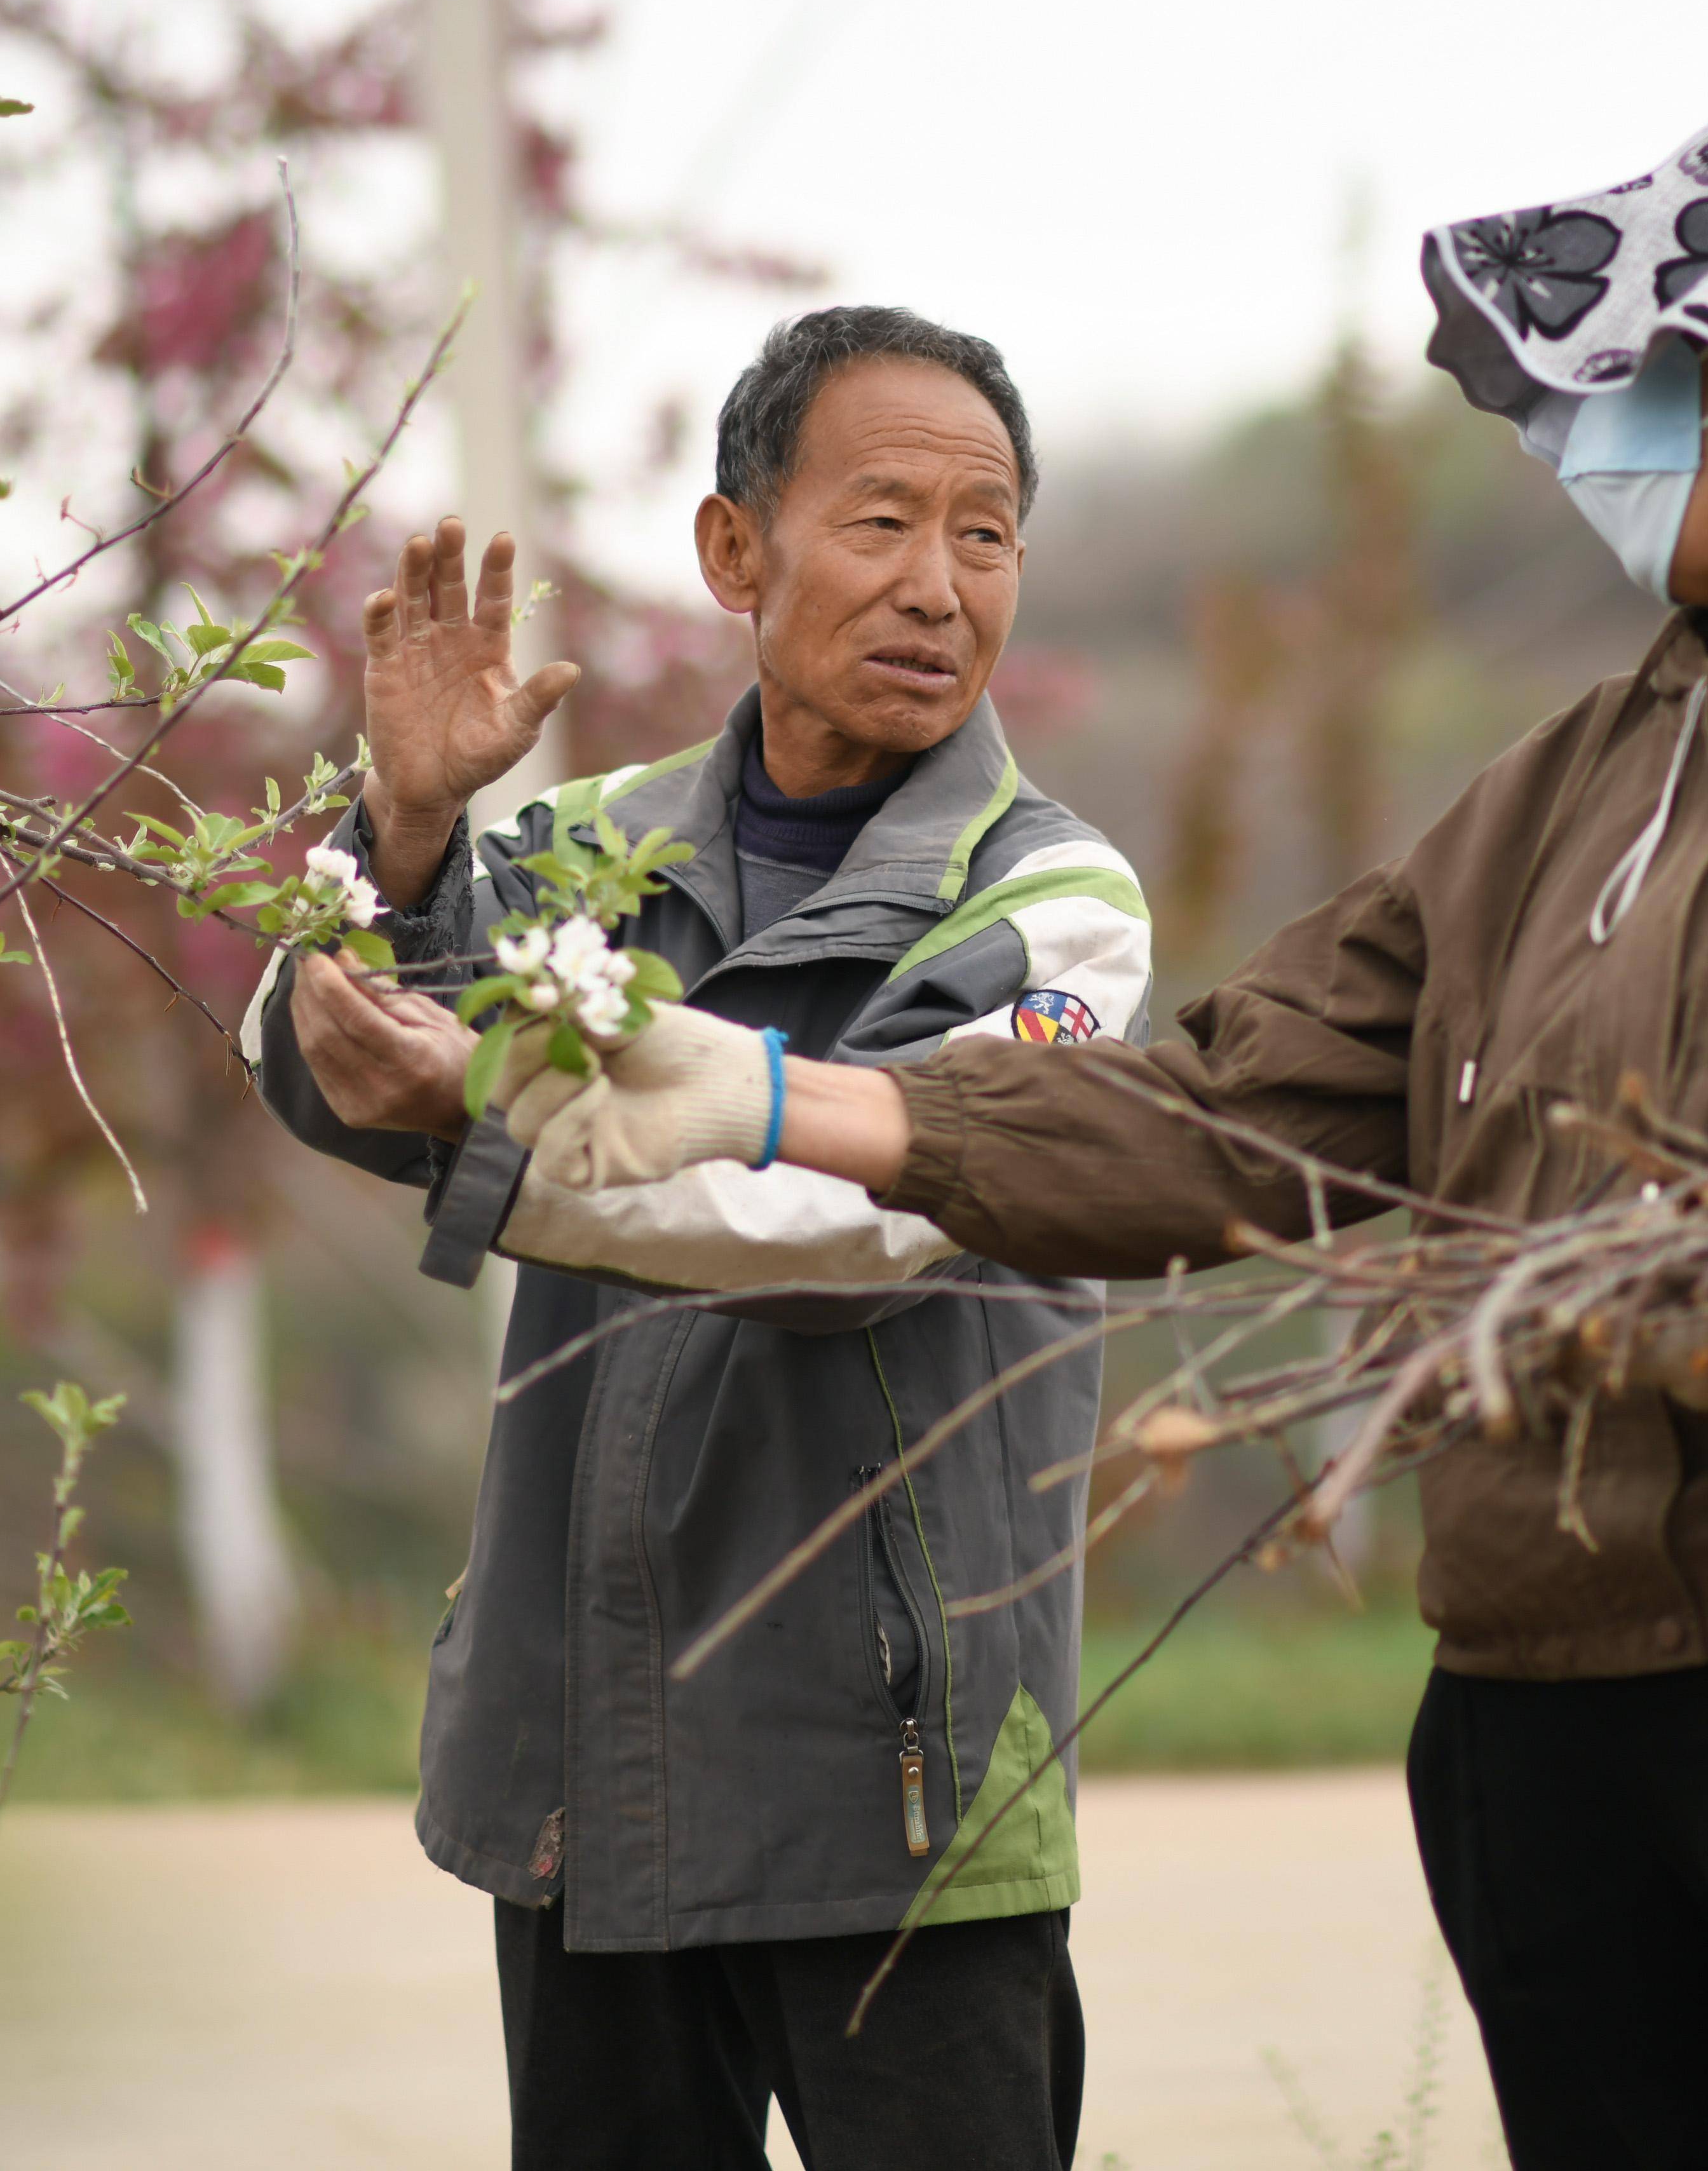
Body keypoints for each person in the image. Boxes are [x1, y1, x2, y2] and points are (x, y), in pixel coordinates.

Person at [494, 101, 1708, 2168]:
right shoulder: (1570, 789)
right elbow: (1226, 1112)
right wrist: (797, 1099)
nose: (1580, 428)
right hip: (1547, 1710)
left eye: (1632, 378)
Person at [246, 306, 1148, 2171]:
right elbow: (320, 1069)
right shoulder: (581, 852)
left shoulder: (1053, 903)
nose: (937, 585)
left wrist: (493, 1118)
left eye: (983, 536)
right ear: (735, 550)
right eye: (882, 520)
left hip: (904, 1792)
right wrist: (407, 838)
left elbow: (844, 1221)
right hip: (594, 1775)